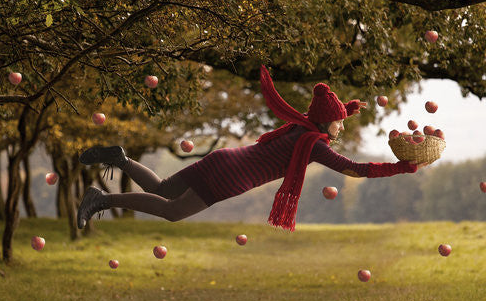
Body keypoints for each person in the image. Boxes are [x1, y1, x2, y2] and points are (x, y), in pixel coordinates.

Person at [77, 65, 423, 231]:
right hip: (231, 177)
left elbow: (325, 114)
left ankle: (120, 158)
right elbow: (355, 170)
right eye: (339, 122)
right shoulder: (313, 143)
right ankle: (101, 199)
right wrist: (400, 167)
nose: (341, 126)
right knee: (172, 211)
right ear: (324, 123)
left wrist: (345, 108)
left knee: (163, 188)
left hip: (224, 159)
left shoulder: (302, 125)